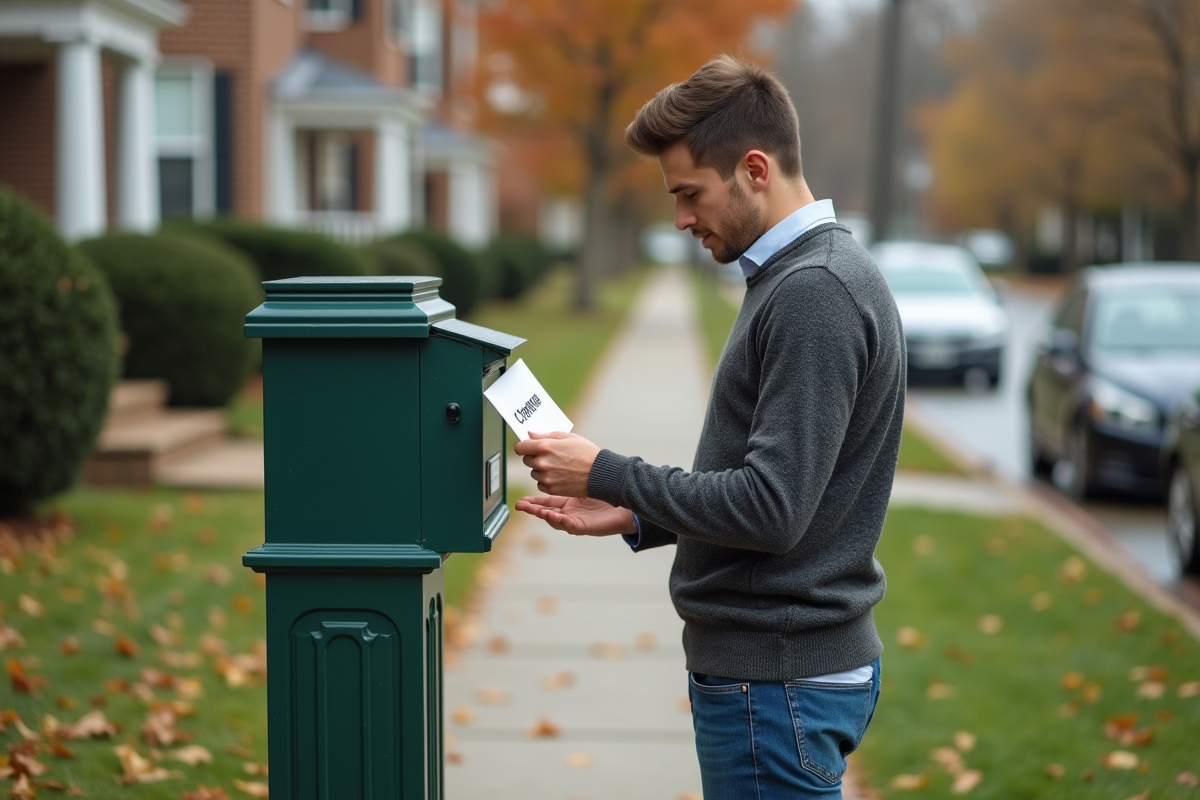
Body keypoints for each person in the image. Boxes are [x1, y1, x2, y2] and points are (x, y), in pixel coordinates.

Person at [514, 55, 905, 799]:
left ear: (754, 169)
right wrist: (637, 512)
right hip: (780, 676)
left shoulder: (812, 293)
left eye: (690, 194)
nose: (682, 219)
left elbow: (773, 507)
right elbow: (795, 493)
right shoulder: (798, 277)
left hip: (776, 680)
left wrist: (607, 471)